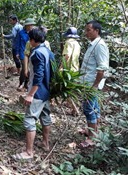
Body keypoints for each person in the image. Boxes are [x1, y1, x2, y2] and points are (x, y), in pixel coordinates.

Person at [12, 28, 55, 161]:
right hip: (46, 91)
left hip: (38, 92)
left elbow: (38, 75)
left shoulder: (37, 53)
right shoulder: (48, 51)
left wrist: (30, 94)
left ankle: (29, 152)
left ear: (32, 40)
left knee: (30, 119)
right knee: (45, 115)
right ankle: (45, 143)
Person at [79, 20, 109, 147]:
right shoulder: (93, 44)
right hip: (88, 83)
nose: (86, 33)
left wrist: (95, 85)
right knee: (93, 108)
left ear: (96, 31)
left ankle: (91, 138)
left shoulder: (100, 45)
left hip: (92, 84)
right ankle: (92, 131)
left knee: (89, 109)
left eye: (88, 30)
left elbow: (102, 69)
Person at [61, 27, 81, 115]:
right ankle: (74, 108)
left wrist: (61, 67)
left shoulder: (68, 42)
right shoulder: (77, 43)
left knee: (65, 90)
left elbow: (67, 56)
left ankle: (75, 109)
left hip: (68, 70)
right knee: (72, 91)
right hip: (75, 69)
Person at [15, 18, 35, 91]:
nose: (31, 26)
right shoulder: (21, 33)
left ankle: (26, 84)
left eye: (32, 25)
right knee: (24, 68)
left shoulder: (33, 33)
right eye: (30, 25)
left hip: (31, 52)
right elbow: (17, 43)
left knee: (29, 68)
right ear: (26, 25)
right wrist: (17, 52)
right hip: (23, 53)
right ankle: (21, 83)